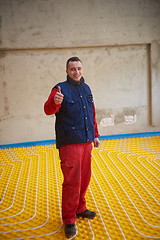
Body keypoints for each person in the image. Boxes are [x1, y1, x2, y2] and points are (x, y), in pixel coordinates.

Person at [44, 57, 100, 238]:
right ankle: (69, 219)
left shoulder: (86, 88)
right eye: (72, 69)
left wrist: (96, 135)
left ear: (82, 69)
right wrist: (55, 102)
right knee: (72, 182)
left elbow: (91, 114)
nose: (76, 72)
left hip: (86, 142)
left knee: (84, 178)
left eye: (79, 68)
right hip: (70, 143)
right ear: (67, 71)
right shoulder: (59, 89)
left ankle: (80, 208)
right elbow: (47, 109)